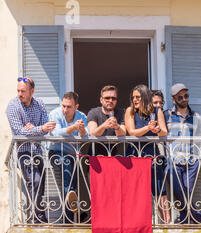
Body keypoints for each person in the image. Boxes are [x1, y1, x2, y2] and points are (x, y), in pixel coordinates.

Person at [6, 77, 56, 223]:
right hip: (23, 151)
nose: (19, 94)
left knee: (40, 184)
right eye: (18, 91)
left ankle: (37, 215)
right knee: (34, 180)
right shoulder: (12, 106)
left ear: (32, 91)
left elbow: (46, 128)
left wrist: (32, 129)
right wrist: (38, 128)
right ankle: (36, 218)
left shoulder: (39, 103)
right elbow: (18, 132)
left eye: (23, 91)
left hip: (38, 150)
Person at [124, 85, 170, 223]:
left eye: (137, 97)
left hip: (152, 153)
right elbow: (132, 132)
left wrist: (157, 130)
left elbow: (164, 132)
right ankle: (136, 222)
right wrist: (148, 128)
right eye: (133, 97)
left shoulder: (157, 111)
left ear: (145, 97)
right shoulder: (130, 111)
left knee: (159, 188)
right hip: (134, 154)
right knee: (135, 191)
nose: (135, 100)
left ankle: (166, 222)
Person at [164, 83, 201, 224]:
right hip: (172, 160)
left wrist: (198, 158)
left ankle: (184, 218)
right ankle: (194, 214)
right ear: (174, 99)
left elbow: (199, 139)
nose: (184, 99)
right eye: (180, 97)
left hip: (191, 160)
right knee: (180, 189)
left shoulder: (196, 116)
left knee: (188, 191)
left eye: (186, 95)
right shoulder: (166, 115)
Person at [48, 91, 88, 222]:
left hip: (73, 154)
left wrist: (81, 129)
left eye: (69, 107)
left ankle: (69, 216)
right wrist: (73, 128)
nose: (65, 110)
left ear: (76, 106)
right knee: (68, 180)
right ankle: (70, 218)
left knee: (71, 185)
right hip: (56, 151)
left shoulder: (82, 116)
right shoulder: (55, 113)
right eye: (63, 106)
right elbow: (55, 134)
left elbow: (86, 136)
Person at [87, 85, 126, 156]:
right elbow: (92, 133)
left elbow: (123, 134)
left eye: (113, 98)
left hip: (116, 155)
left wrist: (116, 127)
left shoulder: (122, 113)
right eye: (107, 98)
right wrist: (104, 126)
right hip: (96, 155)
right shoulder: (93, 112)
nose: (110, 101)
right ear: (101, 100)